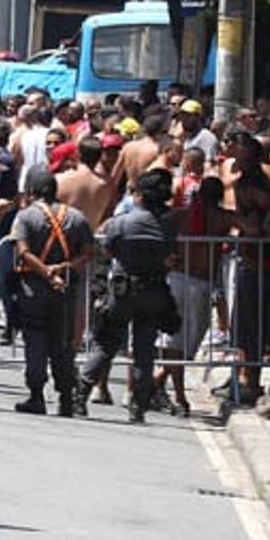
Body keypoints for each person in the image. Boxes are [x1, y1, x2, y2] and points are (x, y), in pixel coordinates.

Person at [80, 169, 182, 423]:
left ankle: (80, 392)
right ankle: (138, 405)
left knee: (107, 342)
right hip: (154, 290)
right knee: (144, 349)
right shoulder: (169, 225)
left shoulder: (124, 222)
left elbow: (108, 247)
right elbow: (170, 254)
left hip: (124, 290)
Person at [8, 165, 94, 417]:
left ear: (32, 191)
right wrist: (65, 268)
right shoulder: (77, 217)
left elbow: (22, 251)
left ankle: (36, 396)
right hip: (65, 292)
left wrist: (47, 273)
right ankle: (66, 398)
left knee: (34, 340)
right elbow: (88, 253)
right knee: (63, 344)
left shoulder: (25, 217)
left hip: (33, 290)